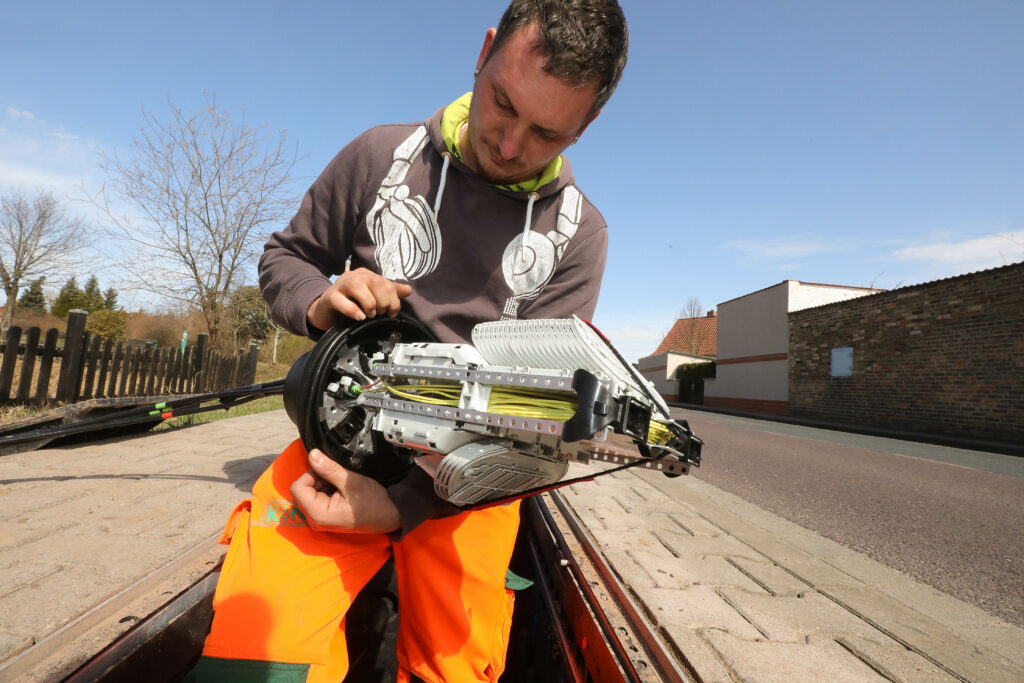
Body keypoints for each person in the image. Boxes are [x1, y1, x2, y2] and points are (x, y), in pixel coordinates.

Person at [188, 1, 628, 681]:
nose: (509, 144)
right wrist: (318, 301)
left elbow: (537, 430)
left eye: (545, 133)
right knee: (255, 662)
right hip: (338, 450)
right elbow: (285, 260)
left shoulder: (580, 237)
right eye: (502, 103)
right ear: (483, 53)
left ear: (589, 123)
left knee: (456, 668)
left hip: (470, 483)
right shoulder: (379, 156)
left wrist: (400, 507)